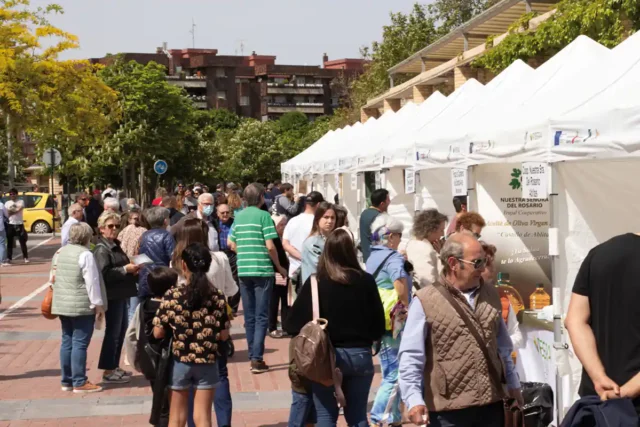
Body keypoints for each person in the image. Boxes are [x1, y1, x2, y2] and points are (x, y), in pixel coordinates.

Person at [398, 232, 522, 427]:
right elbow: (411, 357)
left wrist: (514, 386)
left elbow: (503, 349)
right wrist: (413, 399)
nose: (482, 269)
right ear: (454, 263)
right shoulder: (425, 300)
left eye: (485, 261)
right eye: (477, 262)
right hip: (448, 414)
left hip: (492, 407)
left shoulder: (491, 294)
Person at [285, 228, 386, 426]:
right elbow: (378, 325)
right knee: (357, 416)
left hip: (325, 358)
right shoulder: (366, 281)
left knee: (325, 415)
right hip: (360, 356)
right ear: (351, 252)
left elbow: (292, 324)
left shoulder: (316, 282)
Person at [153, 243, 230, 427]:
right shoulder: (217, 296)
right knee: (203, 417)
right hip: (207, 360)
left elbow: (157, 332)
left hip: (180, 360)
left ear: (184, 265)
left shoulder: (172, 295)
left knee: (177, 418)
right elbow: (224, 335)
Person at [171, 217, 238, 427]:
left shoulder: (176, 261)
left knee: (188, 384)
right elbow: (231, 290)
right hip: (215, 328)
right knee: (220, 377)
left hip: (186, 332)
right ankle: (224, 422)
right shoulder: (219, 259)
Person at [565, 233, 640, 410]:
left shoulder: (600, 253)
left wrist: (599, 377)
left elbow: (574, 320)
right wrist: (627, 391)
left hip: (598, 404)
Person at [228, 183, 287, 374]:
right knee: (262, 316)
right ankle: (256, 358)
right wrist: (279, 267)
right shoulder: (264, 216)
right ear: (262, 196)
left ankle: (253, 354)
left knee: (250, 316)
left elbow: (231, 242)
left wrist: (244, 252)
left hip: (244, 270)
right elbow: (270, 246)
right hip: (262, 270)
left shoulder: (239, 217)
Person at [366, 213, 411, 426]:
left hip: (377, 318)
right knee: (396, 372)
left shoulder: (372, 255)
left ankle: (392, 416)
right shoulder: (393, 258)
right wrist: (407, 307)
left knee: (388, 368)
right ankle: (379, 416)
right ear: (391, 236)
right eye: (399, 235)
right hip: (394, 319)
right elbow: (400, 285)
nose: (400, 240)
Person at [51, 222, 105, 393]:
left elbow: (52, 277)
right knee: (80, 343)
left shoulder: (59, 252)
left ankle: (66, 380)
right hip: (81, 304)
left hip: (62, 303)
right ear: (86, 237)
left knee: (67, 341)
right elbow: (92, 282)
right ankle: (79, 381)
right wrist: (97, 304)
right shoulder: (85, 254)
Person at [94, 212, 140, 384]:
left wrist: (132, 268)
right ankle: (107, 369)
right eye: (110, 226)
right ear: (102, 229)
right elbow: (103, 274)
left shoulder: (115, 245)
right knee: (113, 332)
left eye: (116, 226)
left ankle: (114, 366)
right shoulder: (102, 249)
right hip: (112, 295)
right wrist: (124, 270)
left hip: (122, 292)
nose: (114, 229)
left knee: (120, 332)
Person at [144, 267, 178, 427]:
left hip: (150, 356)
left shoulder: (145, 304)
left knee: (159, 397)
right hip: (163, 355)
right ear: (171, 288)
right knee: (165, 403)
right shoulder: (163, 307)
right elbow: (159, 333)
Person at [481, 241, 522, 350]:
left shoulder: (502, 299)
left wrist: (500, 347)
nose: (493, 269)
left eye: (492, 264)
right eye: (487, 264)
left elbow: (516, 335)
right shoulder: (457, 297)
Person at [283, 191, 324, 294]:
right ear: (319, 205)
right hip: (313, 272)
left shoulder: (292, 221)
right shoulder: (318, 223)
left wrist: (300, 256)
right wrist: (305, 257)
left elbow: (285, 244)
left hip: (294, 271)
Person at [137, 207, 175, 301]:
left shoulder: (144, 235)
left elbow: (138, 256)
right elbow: (173, 258)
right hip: (161, 279)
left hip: (145, 279)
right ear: (165, 221)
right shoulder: (166, 236)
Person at [406, 209, 448, 290]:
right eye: (441, 230)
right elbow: (427, 280)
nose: (442, 234)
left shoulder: (414, 243)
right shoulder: (422, 248)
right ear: (430, 230)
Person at [300, 202, 337, 285]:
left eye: (332, 218)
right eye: (326, 217)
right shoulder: (313, 242)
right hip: (315, 288)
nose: (330, 221)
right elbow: (320, 266)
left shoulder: (331, 239)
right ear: (318, 219)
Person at [268, 215, 290, 339]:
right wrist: (281, 269)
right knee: (274, 299)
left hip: (284, 271)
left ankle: (285, 325)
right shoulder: (274, 238)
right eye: (281, 225)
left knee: (285, 299)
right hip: (278, 272)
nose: (283, 227)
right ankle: (272, 326)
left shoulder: (283, 237)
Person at [217, 203, 240, 313]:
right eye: (222, 213)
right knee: (218, 279)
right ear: (218, 213)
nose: (225, 214)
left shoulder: (235, 223)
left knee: (235, 279)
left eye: (227, 212)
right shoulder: (214, 223)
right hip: (218, 253)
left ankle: (233, 307)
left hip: (232, 254)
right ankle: (219, 305)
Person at [359, 189, 390, 263]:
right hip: (377, 259)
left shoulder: (364, 213)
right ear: (382, 204)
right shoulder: (379, 217)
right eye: (388, 200)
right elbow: (384, 239)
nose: (389, 202)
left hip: (367, 257)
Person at [4, 188, 29, 263]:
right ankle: (9, 258)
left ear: (16, 194)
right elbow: (7, 213)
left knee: (22, 242)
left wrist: (12, 211)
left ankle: (25, 257)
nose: (12, 195)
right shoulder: (7, 203)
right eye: (11, 194)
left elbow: (19, 209)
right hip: (10, 224)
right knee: (10, 242)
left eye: (13, 194)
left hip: (19, 224)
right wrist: (13, 210)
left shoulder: (21, 201)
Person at [0, 197, 7, 266]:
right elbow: (6, 214)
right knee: (2, 244)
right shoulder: (1, 205)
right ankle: (2, 260)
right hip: (1, 227)